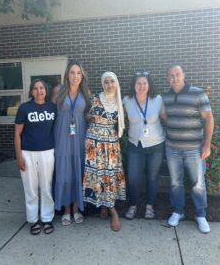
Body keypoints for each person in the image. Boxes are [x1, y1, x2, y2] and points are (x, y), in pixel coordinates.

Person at [163, 65, 214, 233]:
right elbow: (165, 118)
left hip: (194, 149)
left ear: (184, 75)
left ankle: (200, 215)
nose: (174, 78)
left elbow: (208, 119)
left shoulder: (197, 93)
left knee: (198, 184)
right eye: (171, 75)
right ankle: (178, 211)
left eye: (177, 74)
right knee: (175, 183)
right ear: (167, 78)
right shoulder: (166, 97)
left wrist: (207, 144)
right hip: (172, 149)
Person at [83, 71, 126, 232]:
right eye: (106, 82)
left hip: (111, 146)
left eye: (112, 81)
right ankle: (103, 206)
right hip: (94, 145)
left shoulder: (119, 102)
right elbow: (84, 116)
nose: (109, 85)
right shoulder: (94, 99)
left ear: (116, 83)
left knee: (109, 176)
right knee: (98, 176)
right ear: (102, 84)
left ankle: (112, 210)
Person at [14, 79, 56, 235]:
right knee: (30, 188)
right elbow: (17, 134)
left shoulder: (52, 108)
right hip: (27, 153)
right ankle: (33, 220)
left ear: (46, 90)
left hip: (47, 152)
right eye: (36, 88)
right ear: (31, 91)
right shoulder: (24, 108)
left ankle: (47, 218)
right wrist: (19, 156)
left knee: (46, 186)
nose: (39, 91)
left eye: (42, 88)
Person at [123, 72, 167, 220]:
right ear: (134, 85)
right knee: (133, 178)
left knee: (152, 178)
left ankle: (149, 207)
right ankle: (133, 205)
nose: (142, 86)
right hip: (135, 145)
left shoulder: (157, 100)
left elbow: (166, 118)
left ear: (149, 85)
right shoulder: (127, 101)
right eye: (138, 83)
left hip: (156, 145)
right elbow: (119, 119)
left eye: (144, 83)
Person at [53, 60, 90, 226]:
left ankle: (76, 208)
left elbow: (90, 117)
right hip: (62, 138)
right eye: (72, 73)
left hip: (80, 138)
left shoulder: (86, 93)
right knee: (64, 173)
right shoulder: (58, 92)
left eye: (78, 73)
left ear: (82, 76)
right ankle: (66, 209)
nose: (75, 76)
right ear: (67, 75)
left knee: (78, 171)